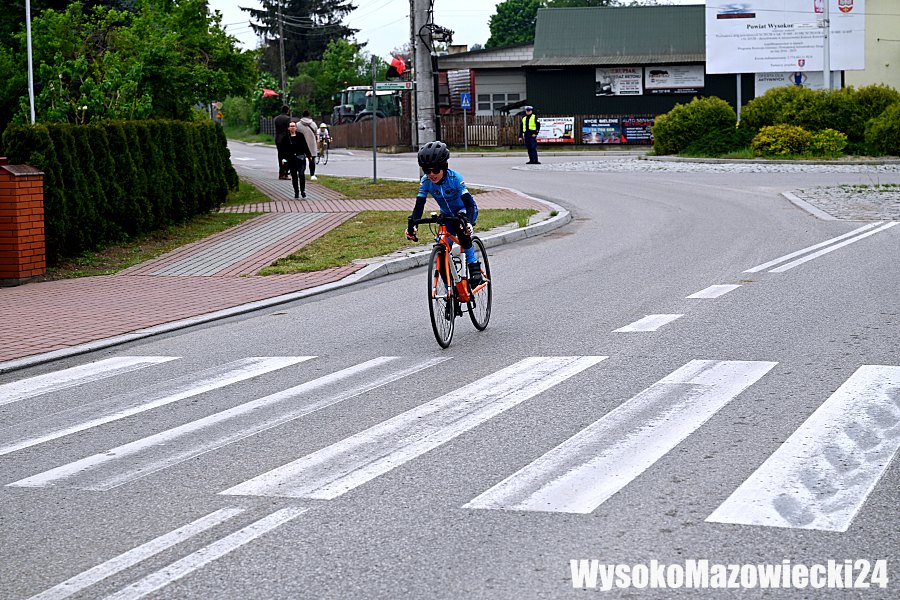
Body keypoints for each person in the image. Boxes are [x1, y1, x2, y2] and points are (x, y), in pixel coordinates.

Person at [405, 141, 482, 288]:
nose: (431, 175)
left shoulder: (455, 179)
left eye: (435, 170)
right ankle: (450, 291)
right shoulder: (426, 181)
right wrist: (414, 226)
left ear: (444, 167)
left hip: (465, 210)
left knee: (462, 230)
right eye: (427, 171)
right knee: (441, 249)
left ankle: (473, 266)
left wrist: (469, 223)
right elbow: (419, 206)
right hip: (447, 214)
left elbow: (469, 204)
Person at [286, 121, 313, 199]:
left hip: (301, 158)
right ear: (288, 128)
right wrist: (284, 159)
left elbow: (305, 145)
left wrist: (309, 155)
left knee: (301, 174)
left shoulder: (300, 135)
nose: (292, 128)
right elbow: (284, 149)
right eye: (291, 126)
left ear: (296, 128)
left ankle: (303, 191)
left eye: (293, 126)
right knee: (294, 176)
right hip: (291, 160)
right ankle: (296, 192)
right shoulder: (286, 137)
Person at [298, 110, 319, 181]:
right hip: (311, 144)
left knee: (300, 159)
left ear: (302, 115)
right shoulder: (313, 124)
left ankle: (301, 173)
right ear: (309, 115)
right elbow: (316, 133)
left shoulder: (298, 124)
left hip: (301, 144)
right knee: (312, 159)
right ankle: (312, 174)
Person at [274, 105, 292, 179]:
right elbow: (288, 130)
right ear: (287, 111)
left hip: (278, 139)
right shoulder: (287, 119)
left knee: (280, 156)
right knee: (286, 157)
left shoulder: (276, 119)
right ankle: (285, 172)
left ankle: (281, 172)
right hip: (285, 140)